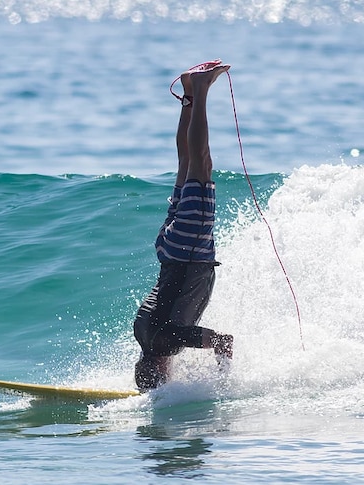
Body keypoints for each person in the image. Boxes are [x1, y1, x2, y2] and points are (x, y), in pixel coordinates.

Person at [133, 60, 234, 391]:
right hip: (168, 248)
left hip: (189, 251)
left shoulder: (168, 344)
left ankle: (201, 88)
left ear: (163, 372)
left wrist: (222, 381)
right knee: (186, 164)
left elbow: (223, 342)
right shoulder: (143, 335)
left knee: (201, 163)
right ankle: (190, 93)